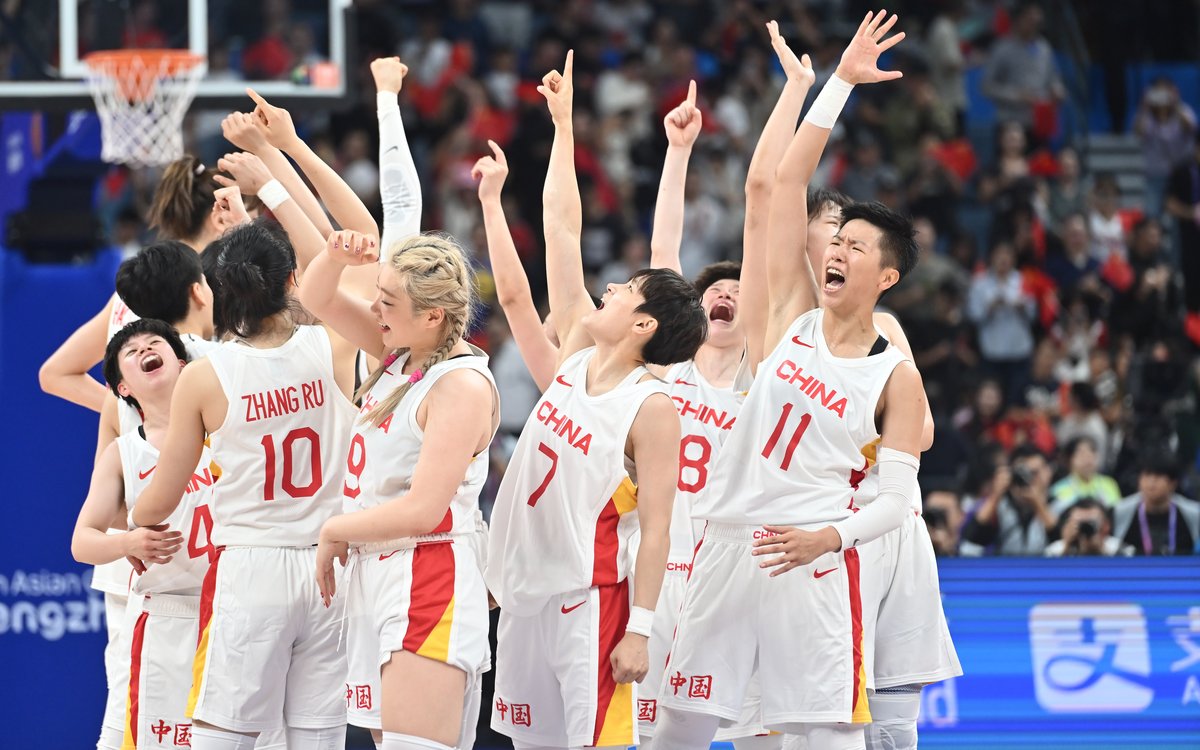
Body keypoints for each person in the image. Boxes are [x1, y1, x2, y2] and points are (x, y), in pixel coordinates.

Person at [654, 12, 924, 750]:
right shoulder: (787, 324)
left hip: (814, 558)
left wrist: (826, 539)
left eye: (856, 247)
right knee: (680, 722)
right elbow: (781, 182)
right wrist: (836, 83)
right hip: (728, 541)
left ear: (887, 276)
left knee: (820, 732)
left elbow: (897, 503)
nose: (836, 251)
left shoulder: (894, 377)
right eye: (834, 241)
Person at [485, 49, 708, 750]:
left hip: (594, 604)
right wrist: (562, 125)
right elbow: (561, 231)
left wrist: (640, 629)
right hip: (526, 599)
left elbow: (662, 527)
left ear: (643, 325)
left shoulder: (653, 405)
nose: (607, 290)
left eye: (624, 291)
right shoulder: (572, 362)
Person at [131, 218, 358, 750]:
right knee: (317, 737)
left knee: (223, 736)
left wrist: (138, 519)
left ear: (216, 292)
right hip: (332, 564)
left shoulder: (206, 376)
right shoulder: (333, 345)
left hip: (252, 566)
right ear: (289, 282)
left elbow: (161, 499)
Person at [299, 227, 499, 750]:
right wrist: (334, 255)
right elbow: (316, 297)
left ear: (433, 315)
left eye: (387, 300)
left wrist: (336, 527)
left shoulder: (460, 386)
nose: (375, 307)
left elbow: (424, 509)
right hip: (379, 570)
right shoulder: (401, 352)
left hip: (428, 573)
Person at [71, 319, 215, 750]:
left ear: (183, 362)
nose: (144, 350)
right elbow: (82, 541)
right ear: (123, 389)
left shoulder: (228, 429)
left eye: (155, 343)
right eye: (129, 353)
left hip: (234, 606)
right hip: (166, 616)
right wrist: (126, 543)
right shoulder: (124, 452)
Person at [39, 156, 257, 413]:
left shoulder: (135, 286)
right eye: (248, 220)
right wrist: (142, 415)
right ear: (220, 217)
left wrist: (130, 415)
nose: (252, 231)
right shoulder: (207, 290)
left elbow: (55, 374)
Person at [960, 445, 1056, 556]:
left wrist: (1038, 504)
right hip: (1004, 569)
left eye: (1034, 473)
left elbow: (1060, 544)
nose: (1029, 479)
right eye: (1022, 473)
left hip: (1045, 570)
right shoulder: (998, 506)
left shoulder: (1058, 503)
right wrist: (995, 496)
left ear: (1048, 472)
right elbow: (969, 542)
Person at [1113, 456, 1200, 556]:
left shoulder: (1193, 514)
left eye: (1158, 476)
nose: (1151, 482)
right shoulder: (1119, 512)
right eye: (1147, 475)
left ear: (1173, 483)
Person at [1048, 435, 1121, 514]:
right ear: (1069, 460)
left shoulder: (1109, 483)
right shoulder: (1058, 490)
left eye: (1091, 452)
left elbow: (1118, 513)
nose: (1087, 459)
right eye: (1081, 454)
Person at [1044, 498, 1132, 557]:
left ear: (1106, 526)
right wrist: (1066, 549)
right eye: (1080, 524)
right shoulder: (1055, 550)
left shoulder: (1120, 549)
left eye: (1091, 523)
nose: (1085, 528)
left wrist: (1100, 551)